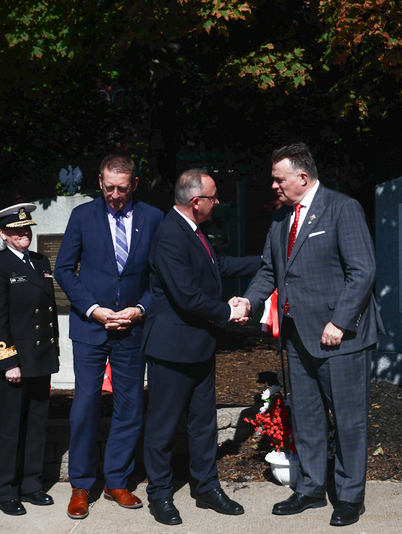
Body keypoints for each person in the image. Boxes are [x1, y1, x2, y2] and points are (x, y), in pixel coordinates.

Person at [237, 143, 384, 527]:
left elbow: (363, 271)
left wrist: (340, 322)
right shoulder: (280, 218)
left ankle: (350, 497)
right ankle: (311, 488)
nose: (274, 185)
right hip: (297, 336)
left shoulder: (342, 208)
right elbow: (270, 271)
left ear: (303, 177)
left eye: (279, 178)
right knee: (307, 416)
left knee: (349, 421)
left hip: (340, 338)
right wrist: (248, 302)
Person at [141, 169, 260, 526]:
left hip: (200, 345)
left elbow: (217, 266)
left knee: (203, 425)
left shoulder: (194, 230)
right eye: (213, 197)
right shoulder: (169, 236)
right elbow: (187, 296)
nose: (217, 202)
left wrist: (267, 261)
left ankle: (206, 488)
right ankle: (160, 495)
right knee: (162, 428)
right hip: (171, 349)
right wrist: (230, 312)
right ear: (196, 202)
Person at [54, 155, 163, 519]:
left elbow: (161, 276)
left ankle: (117, 480)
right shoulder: (82, 216)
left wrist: (140, 309)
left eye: (122, 188)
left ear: (135, 184)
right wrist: (93, 309)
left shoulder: (153, 218)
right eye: (109, 187)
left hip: (132, 328)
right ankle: (81, 485)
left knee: (130, 406)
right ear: (100, 182)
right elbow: (64, 270)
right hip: (90, 327)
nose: (115, 195)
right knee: (85, 405)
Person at [0, 203, 59, 517]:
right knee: (9, 429)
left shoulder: (40, 261)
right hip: (13, 362)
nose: (23, 234)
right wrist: (7, 361)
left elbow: (47, 312)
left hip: (39, 358)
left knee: (36, 426)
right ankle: (5, 491)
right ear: (3, 234)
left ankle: (31, 485)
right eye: (16, 230)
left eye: (27, 228)